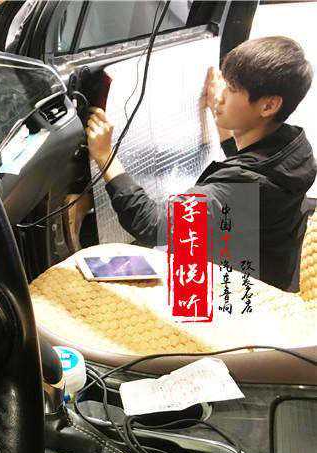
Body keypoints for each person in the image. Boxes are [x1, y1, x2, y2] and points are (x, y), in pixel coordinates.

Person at [86, 36, 316, 292]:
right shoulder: (296, 148)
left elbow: (153, 225)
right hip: (271, 271)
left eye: (232, 89)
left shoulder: (244, 185)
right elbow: (249, 165)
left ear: (269, 105)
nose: (220, 96)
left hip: (241, 291)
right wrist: (223, 119)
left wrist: (105, 156)